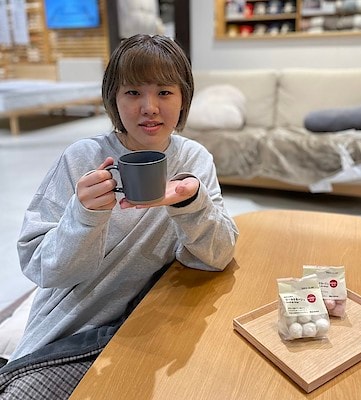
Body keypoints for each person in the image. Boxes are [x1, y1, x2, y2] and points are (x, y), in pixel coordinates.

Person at [0, 34, 238, 399]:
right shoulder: (82, 158)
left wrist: (191, 205)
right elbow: (40, 267)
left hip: (150, 319)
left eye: (164, 92)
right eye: (133, 92)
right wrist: (84, 216)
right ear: (113, 98)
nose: (149, 107)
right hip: (73, 329)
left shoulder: (194, 160)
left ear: (183, 98)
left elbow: (218, 256)